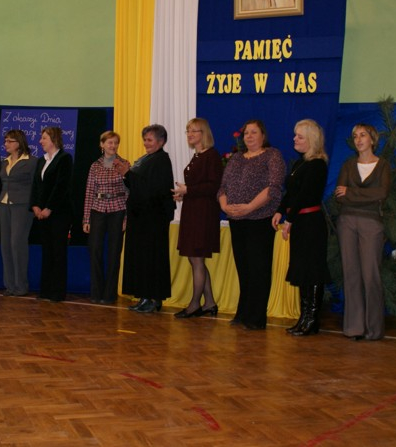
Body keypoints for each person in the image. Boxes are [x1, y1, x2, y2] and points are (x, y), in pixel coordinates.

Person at [218, 119, 286, 330]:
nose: (249, 136)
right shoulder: (236, 158)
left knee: (259, 269)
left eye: (254, 132)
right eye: (246, 133)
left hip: (260, 219)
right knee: (244, 268)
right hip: (237, 221)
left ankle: (256, 318)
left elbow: (274, 187)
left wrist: (249, 207)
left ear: (263, 136)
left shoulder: (272, 155)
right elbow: (222, 188)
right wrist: (225, 206)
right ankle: (243, 313)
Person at [272, 119, 330, 336]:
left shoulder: (318, 165)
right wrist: (280, 210)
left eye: (300, 136)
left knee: (312, 270)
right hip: (300, 222)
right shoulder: (299, 164)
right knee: (302, 269)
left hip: (311, 223)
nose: (294, 139)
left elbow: (305, 195)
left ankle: (312, 319)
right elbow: (291, 193)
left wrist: (289, 219)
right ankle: (303, 318)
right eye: (295, 135)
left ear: (311, 140)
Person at [335, 123, 392, 341]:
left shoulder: (383, 165)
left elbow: (382, 193)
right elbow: (340, 196)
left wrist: (351, 192)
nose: (358, 139)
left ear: (372, 139)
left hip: (371, 223)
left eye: (363, 135)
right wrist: (364, 195)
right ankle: (354, 327)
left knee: (371, 275)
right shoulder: (348, 165)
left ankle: (374, 329)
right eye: (355, 136)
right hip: (347, 221)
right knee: (351, 274)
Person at [115, 124, 176, 313]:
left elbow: (152, 190)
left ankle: (151, 297)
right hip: (143, 218)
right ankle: (145, 296)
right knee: (143, 258)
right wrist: (127, 176)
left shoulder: (161, 160)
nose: (146, 143)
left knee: (151, 259)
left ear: (161, 141)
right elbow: (139, 185)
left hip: (152, 219)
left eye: (149, 140)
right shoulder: (148, 159)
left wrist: (128, 174)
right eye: (145, 140)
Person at [172, 118, 223, 318]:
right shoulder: (198, 156)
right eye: (188, 131)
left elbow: (213, 186)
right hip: (193, 210)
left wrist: (188, 190)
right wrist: (184, 194)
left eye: (194, 131)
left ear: (204, 133)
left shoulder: (211, 155)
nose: (190, 134)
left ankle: (195, 304)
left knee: (197, 259)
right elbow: (198, 187)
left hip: (203, 214)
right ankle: (209, 303)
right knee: (195, 259)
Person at [82, 131, 129, 304]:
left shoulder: (124, 164)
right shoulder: (95, 166)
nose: (113, 146)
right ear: (102, 144)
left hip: (118, 209)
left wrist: (126, 218)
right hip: (98, 208)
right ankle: (96, 292)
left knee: (114, 252)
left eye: (115, 143)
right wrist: (86, 219)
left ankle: (109, 294)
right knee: (94, 249)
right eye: (109, 142)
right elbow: (89, 192)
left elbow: (129, 192)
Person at [30, 126, 74, 301]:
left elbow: (61, 186)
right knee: (47, 251)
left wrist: (49, 208)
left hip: (59, 214)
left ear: (54, 140)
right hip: (42, 214)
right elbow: (36, 185)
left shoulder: (64, 158)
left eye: (44, 138)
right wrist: (35, 206)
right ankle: (46, 290)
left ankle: (57, 292)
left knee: (58, 252)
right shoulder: (41, 160)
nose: (40, 141)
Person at [0, 129, 38, 297]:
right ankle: (10, 285)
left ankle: (21, 285)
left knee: (17, 244)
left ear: (19, 143)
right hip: (4, 204)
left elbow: (36, 186)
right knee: (6, 245)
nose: (6, 144)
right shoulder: (5, 162)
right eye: (5, 140)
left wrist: (35, 205)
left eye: (10, 141)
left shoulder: (31, 161)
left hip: (22, 205)